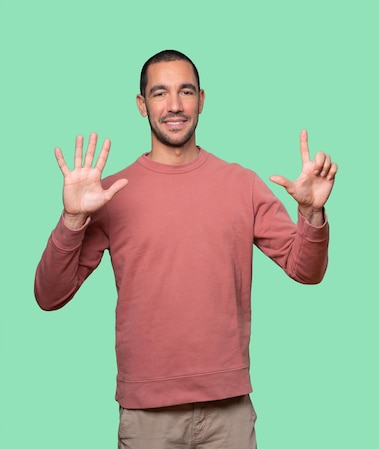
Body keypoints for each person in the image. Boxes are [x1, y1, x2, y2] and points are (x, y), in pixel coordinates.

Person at [34, 49, 337, 449]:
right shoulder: (110, 195)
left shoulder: (241, 184)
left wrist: (312, 214)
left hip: (228, 410)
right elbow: (49, 296)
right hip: (147, 415)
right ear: (142, 105)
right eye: (160, 93)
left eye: (186, 91)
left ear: (202, 100)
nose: (174, 105)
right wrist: (72, 219)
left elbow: (306, 271)